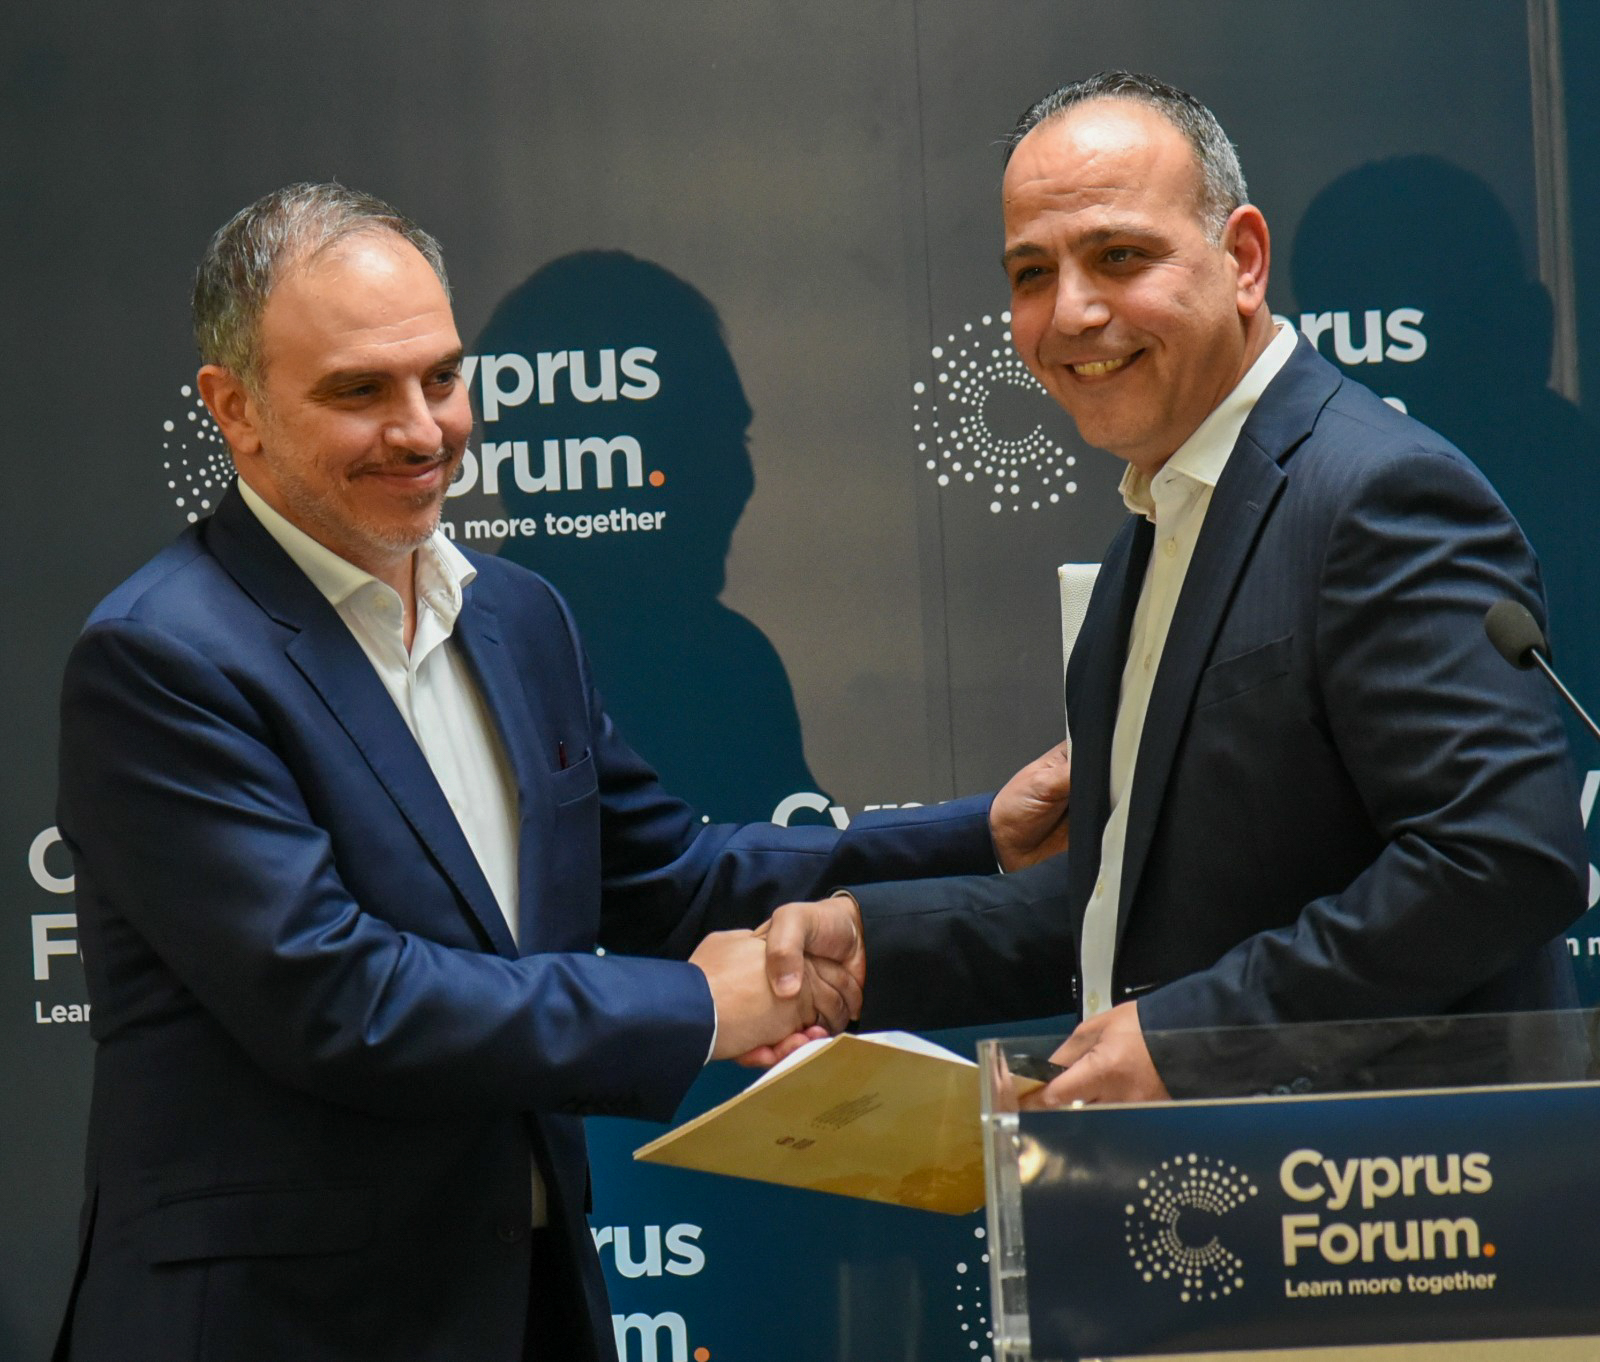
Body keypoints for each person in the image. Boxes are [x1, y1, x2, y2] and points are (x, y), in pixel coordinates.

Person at [51, 183, 1071, 1362]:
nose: (422, 431)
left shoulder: (518, 615)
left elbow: (668, 880)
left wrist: (981, 835)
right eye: (359, 392)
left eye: (441, 377)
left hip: (524, 1301)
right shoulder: (163, 658)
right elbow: (342, 1002)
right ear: (234, 409)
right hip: (275, 1329)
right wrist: (703, 1007)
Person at [764, 71, 1587, 1103]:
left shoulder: (1375, 494)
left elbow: (1501, 859)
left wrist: (1201, 1039)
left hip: (1403, 1189)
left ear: (1242, 260)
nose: (1070, 313)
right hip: (1225, 1185)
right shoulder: (1154, 534)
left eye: (1118, 256)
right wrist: (877, 947)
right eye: (1031, 273)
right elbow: (1139, 905)